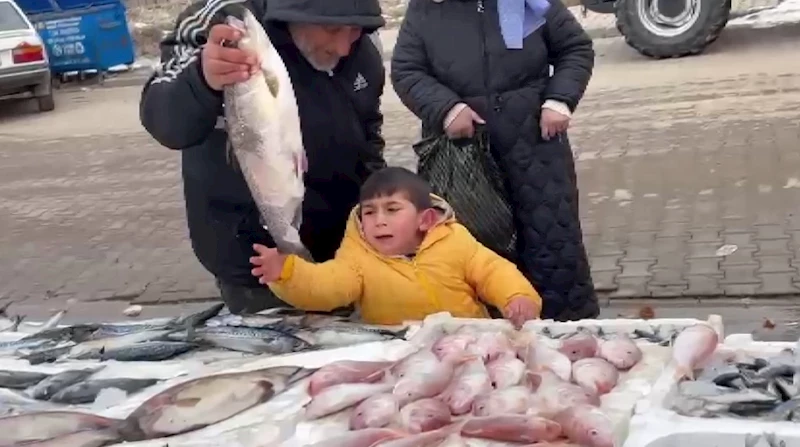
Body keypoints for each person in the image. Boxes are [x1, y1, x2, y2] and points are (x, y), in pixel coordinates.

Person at [139, 0, 387, 314]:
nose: (343, 46)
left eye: (354, 31)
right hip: (259, 268)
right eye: (332, 29)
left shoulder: (363, 44)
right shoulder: (224, 21)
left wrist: (380, 207)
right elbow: (165, 122)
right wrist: (202, 80)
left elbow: (368, 133)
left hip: (347, 257)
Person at [390, 0, 598, 321]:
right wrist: (446, 108)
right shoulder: (426, 8)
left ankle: (567, 336)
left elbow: (575, 48)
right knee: (472, 245)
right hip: (461, 154)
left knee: (551, 241)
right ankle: (485, 344)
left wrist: (559, 100)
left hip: (535, 145)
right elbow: (406, 69)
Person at [249, 167, 542, 328]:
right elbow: (327, 287)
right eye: (370, 212)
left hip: (470, 341)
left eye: (392, 210)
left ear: (425, 219)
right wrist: (288, 273)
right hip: (399, 354)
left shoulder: (455, 241)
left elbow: (493, 271)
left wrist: (517, 297)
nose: (379, 222)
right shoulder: (358, 257)